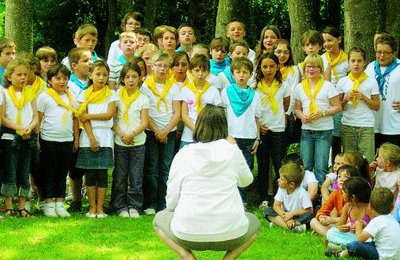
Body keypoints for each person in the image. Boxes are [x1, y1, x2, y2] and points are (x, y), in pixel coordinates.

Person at [153, 104, 260, 260]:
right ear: (224, 127)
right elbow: (246, 181)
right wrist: (234, 147)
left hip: (187, 233)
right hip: (230, 232)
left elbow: (171, 200)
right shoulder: (231, 150)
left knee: (158, 220)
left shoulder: (184, 153)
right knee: (254, 222)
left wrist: (176, 211)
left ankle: (187, 256)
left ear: (199, 126)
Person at [75, 60, 117, 218]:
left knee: (103, 174)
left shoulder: (111, 94)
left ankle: (101, 207)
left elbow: (109, 115)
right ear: (90, 75)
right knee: (91, 173)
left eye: (105, 75)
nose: (101, 78)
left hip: (105, 137)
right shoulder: (84, 94)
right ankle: (92, 207)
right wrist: (91, 138)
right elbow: (82, 118)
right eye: (98, 74)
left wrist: (89, 115)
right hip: (88, 136)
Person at [141, 52, 181, 214]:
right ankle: (150, 203)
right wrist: (157, 131)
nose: (162, 69)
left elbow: (177, 112)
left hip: (169, 133)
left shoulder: (174, 87)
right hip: (151, 132)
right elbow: (145, 112)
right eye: (159, 65)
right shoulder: (145, 86)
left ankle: (164, 203)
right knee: (151, 168)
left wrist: (165, 131)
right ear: (152, 66)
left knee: (166, 168)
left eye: (165, 66)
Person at [37, 64, 78, 218]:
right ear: (50, 80)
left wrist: (76, 139)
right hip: (49, 139)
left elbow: (75, 119)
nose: (62, 82)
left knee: (62, 172)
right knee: (49, 171)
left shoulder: (71, 96)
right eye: (58, 78)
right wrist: (38, 139)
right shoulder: (44, 97)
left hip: (66, 140)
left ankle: (60, 203)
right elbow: (39, 119)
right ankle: (48, 203)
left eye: (65, 78)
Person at [294, 54, 341, 185]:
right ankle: (306, 194)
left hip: (324, 131)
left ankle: (321, 195)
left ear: (320, 69)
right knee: (306, 165)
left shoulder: (328, 86)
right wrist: (302, 116)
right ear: (304, 69)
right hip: (307, 131)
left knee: (321, 166)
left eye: (315, 67)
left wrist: (323, 113)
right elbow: (297, 109)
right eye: (309, 66)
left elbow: (337, 107)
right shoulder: (300, 87)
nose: (312, 69)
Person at [1, 58, 39, 217]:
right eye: (18, 75)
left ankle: (22, 206)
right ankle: (9, 205)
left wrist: (30, 127)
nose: (23, 78)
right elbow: (2, 117)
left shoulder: (30, 93)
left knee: (24, 170)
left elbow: (36, 116)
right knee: (10, 170)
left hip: (27, 136)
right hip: (10, 137)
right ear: (9, 76)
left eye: (25, 74)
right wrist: (19, 128)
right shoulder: (3, 92)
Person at [111, 63, 149, 218]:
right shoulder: (115, 96)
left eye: (134, 77)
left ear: (140, 78)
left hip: (137, 142)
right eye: (127, 77)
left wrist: (131, 134)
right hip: (120, 141)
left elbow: (144, 122)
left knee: (136, 175)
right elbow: (113, 120)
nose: (131, 80)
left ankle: (134, 205)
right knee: (120, 175)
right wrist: (122, 134)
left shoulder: (143, 98)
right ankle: (119, 205)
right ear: (122, 79)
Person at [221, 57, 261, 201]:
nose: (241, 75)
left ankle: (241, 200)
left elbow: (257, 118)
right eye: (238, 72)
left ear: (251, 74)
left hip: (249, 137)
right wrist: (225, 135)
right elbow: (222, 116)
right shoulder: (226, 93)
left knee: (245, 170)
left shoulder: (255, 95)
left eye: (245, 72)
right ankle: (228, 200)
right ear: (232, 74)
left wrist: (257, 138)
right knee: (228, 169)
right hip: (231, 137)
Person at [254, 52, 290, 206]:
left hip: (278, 129)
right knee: (262, 164)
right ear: (260, 68)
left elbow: (286, 104)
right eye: (265, 66)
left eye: (271, 66)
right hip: (261, 129)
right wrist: (258, 126)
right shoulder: (254, 86)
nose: (268, 70)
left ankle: (281, 196)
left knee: (279, 164)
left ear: (277, 67)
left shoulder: (283, 85)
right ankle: (263, 196)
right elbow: (251, 108)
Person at [330, 188, 400, 259]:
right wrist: (365, 225)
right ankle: (345, 250)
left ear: (370, 207)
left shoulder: (377, 221)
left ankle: (339, 254)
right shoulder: (393, 220)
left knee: (355, 245)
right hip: (396, 257)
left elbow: (359, 239)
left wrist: (359, 225)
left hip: (381, 257)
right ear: (392, 208)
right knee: (369, 243)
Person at [338, 47, 380, 162]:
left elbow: (377, 106)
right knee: (349, 161)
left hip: (366, 125)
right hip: (348, 125)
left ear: (365, 62)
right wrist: (346, 99)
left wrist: (364, 98)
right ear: (348, 62)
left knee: (367, 161)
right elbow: (338, 108)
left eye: (359, 61)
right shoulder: (342, 82)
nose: (356, 64)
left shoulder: (371, 81)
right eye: (353, 61)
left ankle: (367, 180)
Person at [66, 47, 92, 213]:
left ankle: (92, 199)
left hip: (92, 128)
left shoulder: (94, 81)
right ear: (74, 65)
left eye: (90, 60)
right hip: (76, 128)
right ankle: (76, 200)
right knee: (75, 168)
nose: (90, 64)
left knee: (90, 166)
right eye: (85, 61)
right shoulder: (68, 84)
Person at [365, 34, 400, 148]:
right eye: (379, 52)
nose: (381, 56)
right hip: (373, 123)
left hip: (394, 125)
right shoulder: (370, 68)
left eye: (386, 52)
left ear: (394, 52)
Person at [180, 54, 221, 148]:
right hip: (189, 135)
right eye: (197, 70)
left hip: (208, 136)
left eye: (204, 70)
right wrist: (196, 130)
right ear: (190, 71)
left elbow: (216, 115)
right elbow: (184, 115)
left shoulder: (213, 92)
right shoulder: (185, 90)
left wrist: (205, 132)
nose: (200, 74)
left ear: (208, 72)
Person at [322, 26, 349, 163]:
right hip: (326, 102)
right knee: (329, 136)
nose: (327, 44)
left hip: (344, 101)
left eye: (330, 40)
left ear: (339, 39)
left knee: (338, 137)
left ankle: (338, 165)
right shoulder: (321, 59)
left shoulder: (347, 60)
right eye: (324, 41)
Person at [311, 165, 359, 236]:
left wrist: (333, 220)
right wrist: (322, 218)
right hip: (339, 225)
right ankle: (334, 236)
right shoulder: (335, 193)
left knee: (352, 225)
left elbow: (355, 219)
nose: (341, 179)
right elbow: (322, 211)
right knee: (313, 221)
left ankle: (333, 237)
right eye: (339, 177)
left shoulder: (356, 195)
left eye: (346, 177)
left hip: (352, 226)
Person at [264, 163, 314, 232]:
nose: (278, 180)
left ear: (291, 184)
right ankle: (293, 228)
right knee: (268, 211)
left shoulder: (302, 193)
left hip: (298, 216)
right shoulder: (281, 188)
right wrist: (286, 217)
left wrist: (292, 214)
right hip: (284, 214)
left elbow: (309, 210)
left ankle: (280, 223)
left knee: (310, 215)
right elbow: (276, 205)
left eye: (281, 179)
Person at [325, 177, 371, 250]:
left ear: (353, 197)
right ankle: (351, 246)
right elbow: (340, 225)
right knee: (331, 232)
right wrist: (342, 228)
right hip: (351, 236)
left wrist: (362, 226)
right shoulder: (347, 207)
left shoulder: (369, 209)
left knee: (370, 241)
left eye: (344, 192)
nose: (341, 193)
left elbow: (374, 229)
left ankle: (347, 246)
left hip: (365, 237)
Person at [274, 39, 301, 145]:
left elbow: (293, 93)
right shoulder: (269, 68)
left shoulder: (293, 70)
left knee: (282, 147)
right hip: (270, 112)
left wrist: (286, 114)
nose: (282, 55)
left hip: (285, 113)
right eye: (278, 52)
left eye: (286, 52)